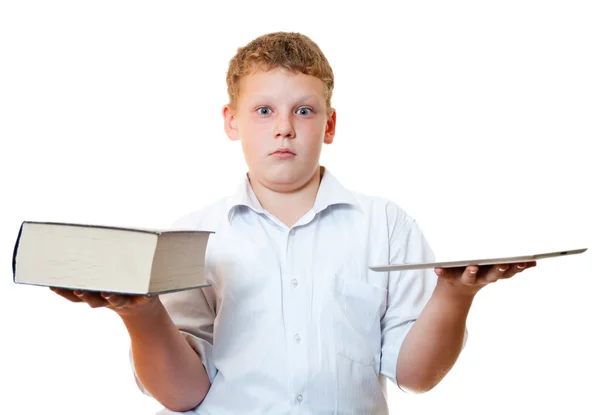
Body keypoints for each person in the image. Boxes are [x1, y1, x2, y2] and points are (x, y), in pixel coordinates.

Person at [51, 31, 536, 414]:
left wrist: (456, 295)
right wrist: (140, 315)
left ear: (329, 124)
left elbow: (417, 376)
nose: (284, 126)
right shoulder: (192, 238)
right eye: (264, 110)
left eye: (304, 110)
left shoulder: (385, 224)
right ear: (231, 121)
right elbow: (183, 394)